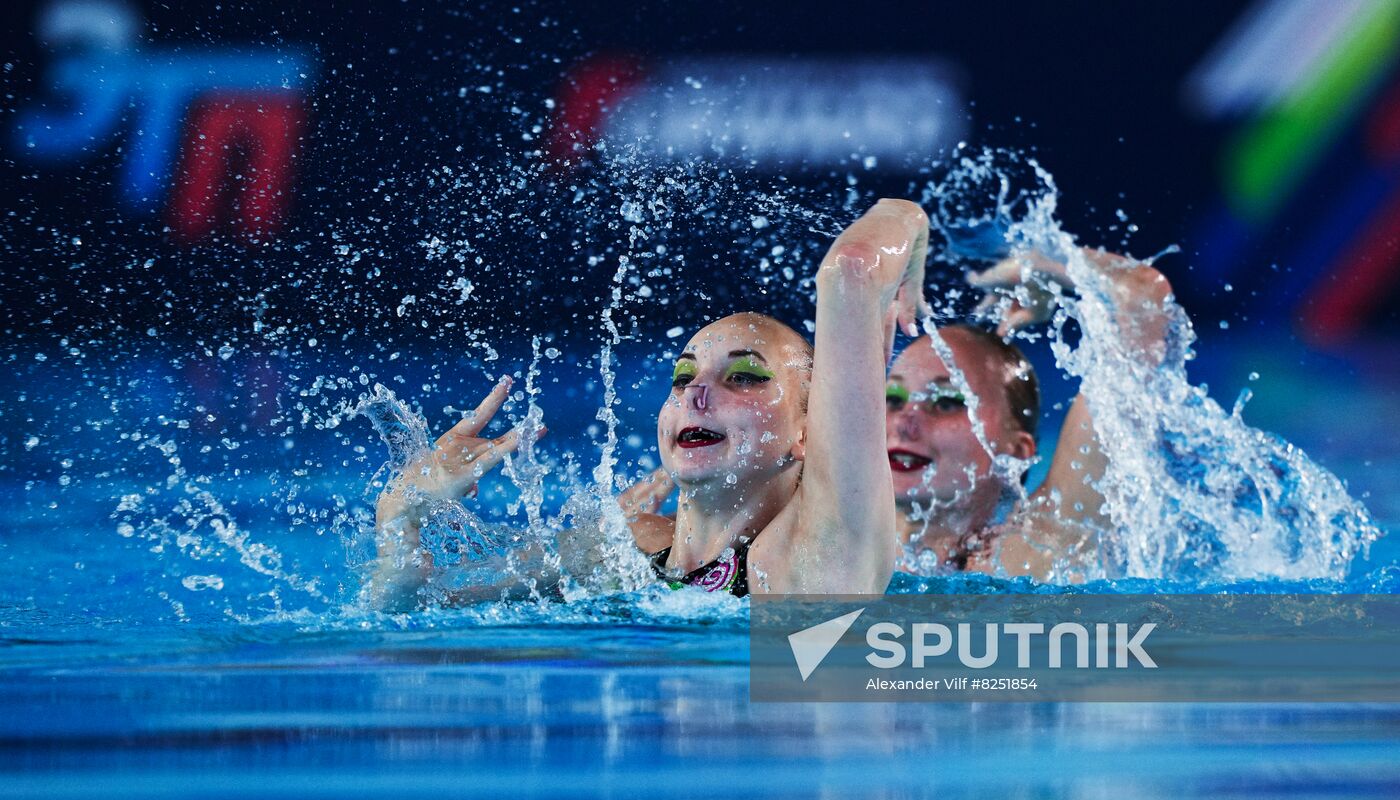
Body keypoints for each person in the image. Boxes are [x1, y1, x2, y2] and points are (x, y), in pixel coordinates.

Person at [367, 199, 931, 607]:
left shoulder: (812, 567)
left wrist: (906, 215)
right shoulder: (621, 549)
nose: (696, 393)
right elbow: (409, 616)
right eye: (682, 377)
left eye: (746, 378)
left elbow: (852, 270)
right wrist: (399, 513)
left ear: (808, 431)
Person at [888, 246, 1175, 580]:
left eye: (948, 402)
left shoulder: (1038, 550)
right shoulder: (836, 530)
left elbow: (1145, 298)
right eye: (893, 398)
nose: (905, 421)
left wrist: (1045, 264)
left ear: (1017, 451)